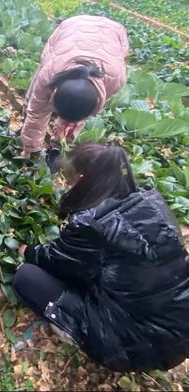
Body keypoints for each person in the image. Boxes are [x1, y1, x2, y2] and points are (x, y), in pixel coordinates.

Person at [13, 143, 189, 372]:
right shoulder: (152, 201)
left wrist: (29, 251)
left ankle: (75, 333)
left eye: (69, 177)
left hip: (134, 344)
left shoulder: (90, 224)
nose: (66, 183)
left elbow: (56, 261)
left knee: (27, 277)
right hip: (181, 329)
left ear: (83, 178)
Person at [20, 15, 129, 159]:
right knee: (35, 98)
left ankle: (57, 147)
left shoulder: (114, 79)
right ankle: (26, 127)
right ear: (55, 92)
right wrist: (29, 148)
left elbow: (82, 112)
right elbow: (37, 111)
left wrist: (60, 144)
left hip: (113, 34)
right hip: (70, 29)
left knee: (77, 111)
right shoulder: (49, 73)